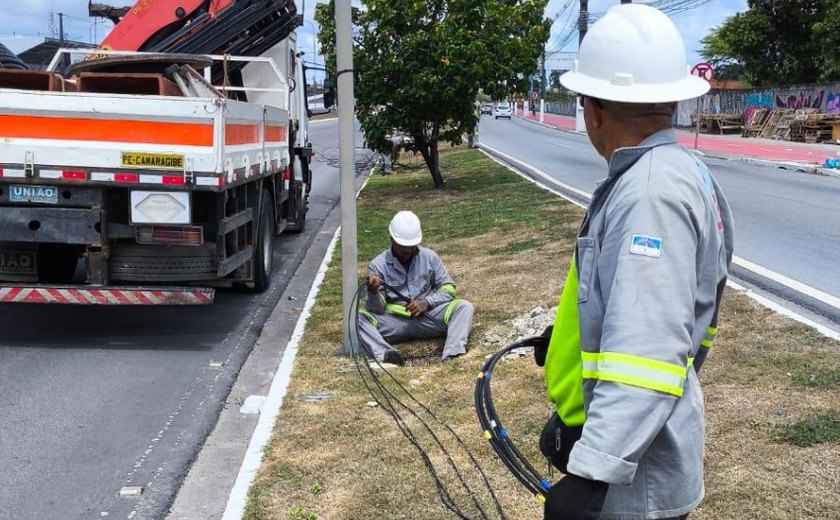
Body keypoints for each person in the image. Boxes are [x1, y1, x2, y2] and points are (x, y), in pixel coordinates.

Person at [534, 5, 735, 520]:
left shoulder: (648, 194)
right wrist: (569, 340)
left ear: (592, 109)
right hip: (642, 454)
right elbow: (676, 315)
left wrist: (590, 475)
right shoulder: (683, 172)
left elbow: (647, 353)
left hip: (634, 486)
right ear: (670, 101)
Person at [358, 210, 474, 366]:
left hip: (428, 318)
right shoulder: (378, 265)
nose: (408, 251)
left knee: (464, 307)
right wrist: (373, 292)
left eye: (412, 246)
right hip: (395, 322)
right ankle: (386, 354)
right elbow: (377, 309)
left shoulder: (430, 257)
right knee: (357, 318)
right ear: (391, 239)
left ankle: (452, 355)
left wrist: (427, 302)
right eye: (403, 246)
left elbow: (448, 288)